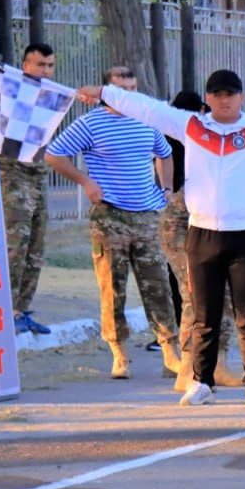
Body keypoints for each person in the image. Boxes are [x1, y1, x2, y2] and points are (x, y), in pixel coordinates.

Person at [75, 68, 245, 407]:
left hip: (244, 233)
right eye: (218, 94)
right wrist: (104, 93)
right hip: (202, 234)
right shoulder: (192, 125)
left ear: (242, 97)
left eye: (231, 94)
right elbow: (146, 107)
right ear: (208, 99)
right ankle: (201, 381)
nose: (225, 100)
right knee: (204, 312)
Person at [45, 66, 180, 379]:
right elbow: (54, 154)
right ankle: (119, 354)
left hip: (147, 215)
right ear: (106, 91)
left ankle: (170, 352)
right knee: (112, 287)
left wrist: (167, 190)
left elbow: (165, 152)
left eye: (133, 87)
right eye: (122, 88)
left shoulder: (146, 119)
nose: (129, 94)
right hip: (110, 215)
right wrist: (85, 182)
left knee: (157, 284)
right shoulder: (90, 123)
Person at [157, 91, 244, 393]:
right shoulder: (233, 157)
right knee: (196, 293)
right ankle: (187, 368)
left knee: (228, 294)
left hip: (214, 230)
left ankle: (217, 363)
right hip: (181, 227)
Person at [0, 43, 57, 335]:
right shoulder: (9, 92)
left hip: (38, 176)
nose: (46, 71)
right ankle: (2, 310)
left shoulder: (52, 97)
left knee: (35, 248)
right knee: (15, 246)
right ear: (26, 65)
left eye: (50, 65)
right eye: (40, 65)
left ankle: (20, 310)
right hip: (11, 174)